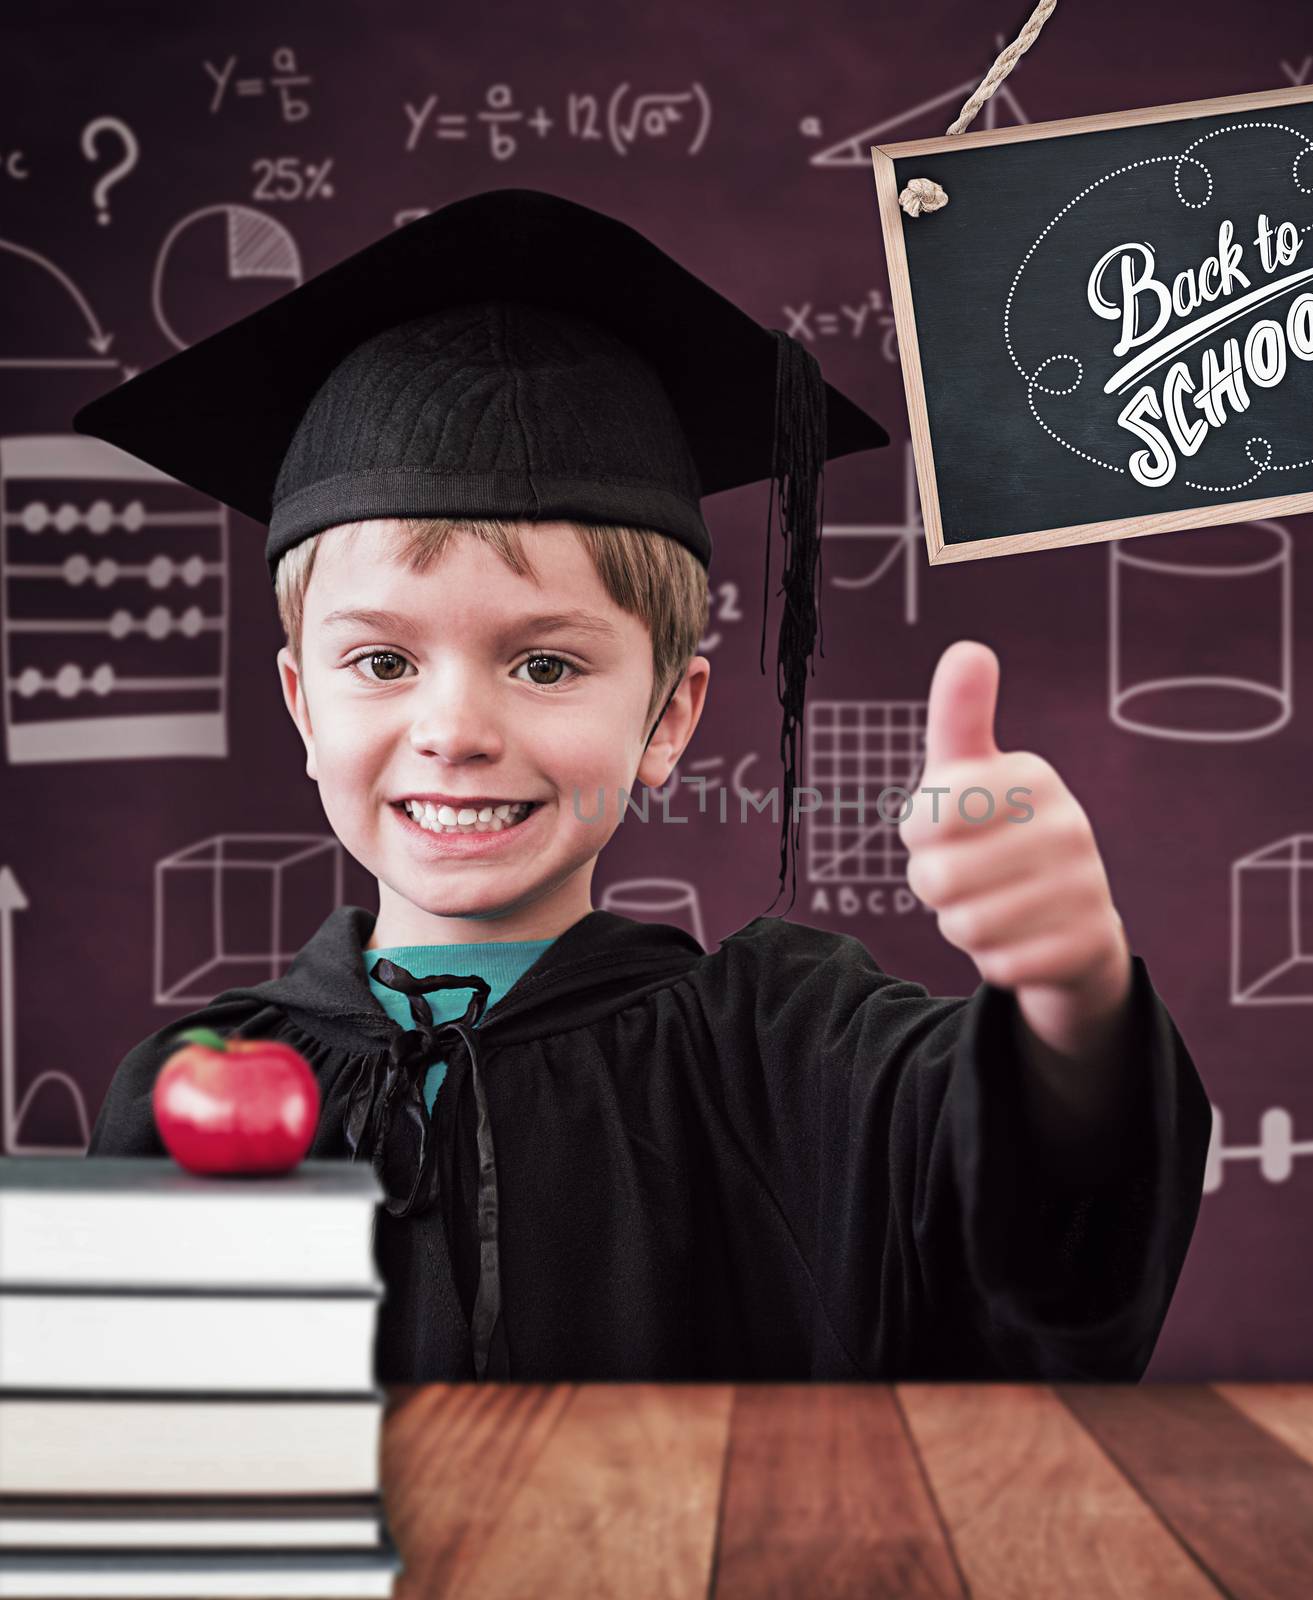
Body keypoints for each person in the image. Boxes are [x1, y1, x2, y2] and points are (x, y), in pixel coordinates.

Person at [77, 188, 1213, 1383]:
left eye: (546, 662)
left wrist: (1072, 993)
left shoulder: (783, 1051)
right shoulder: (190, 1086)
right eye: (382, 661)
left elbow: (1045, 1257)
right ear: (304, 706)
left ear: (668, 717)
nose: (453, 728)